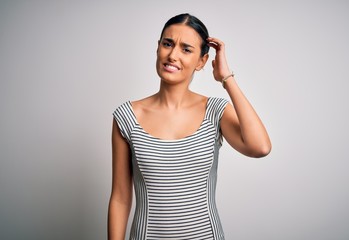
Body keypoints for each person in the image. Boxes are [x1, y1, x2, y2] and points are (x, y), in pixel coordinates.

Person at [108, 13, 271, 240]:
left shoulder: (215, 112)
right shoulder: (127, 117)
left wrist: (226, 78)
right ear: (158, 48)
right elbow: (120, 197)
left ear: (202, 61)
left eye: (186, 49)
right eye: (168, 44)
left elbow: (260, 147)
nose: (173, 55)